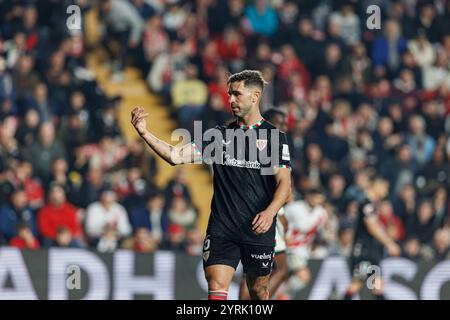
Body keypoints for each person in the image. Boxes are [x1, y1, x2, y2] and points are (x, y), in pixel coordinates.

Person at [131, 70, 292, 300]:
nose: (230, 100)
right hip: (222, 227)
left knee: (257, 291)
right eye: (229, 94)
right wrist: (145, 133)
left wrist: (270, 212)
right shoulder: (219, 136)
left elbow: (285, 185)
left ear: (255, 97)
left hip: (258, 228)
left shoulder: (274, 138)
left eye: (236, 94)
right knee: (216, 284)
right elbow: (176, 156)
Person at [239, 108, 291, 300]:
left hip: (248, 213)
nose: (284, 127)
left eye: (286, 124)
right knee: (281, 269)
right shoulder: (268, 146)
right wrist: (281, 215)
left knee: (252, 273)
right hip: (264, 215)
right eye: (280, 123)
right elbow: (274, 185)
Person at [343, 178, 401, 300]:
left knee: (372, 284)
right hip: (364, 251)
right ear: (377, 185)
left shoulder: (371, 204)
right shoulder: (367, 203)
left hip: (369, 251)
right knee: (361, 284)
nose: (386, 191)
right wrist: (389, 243)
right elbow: (371, 226)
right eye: (385, 188)